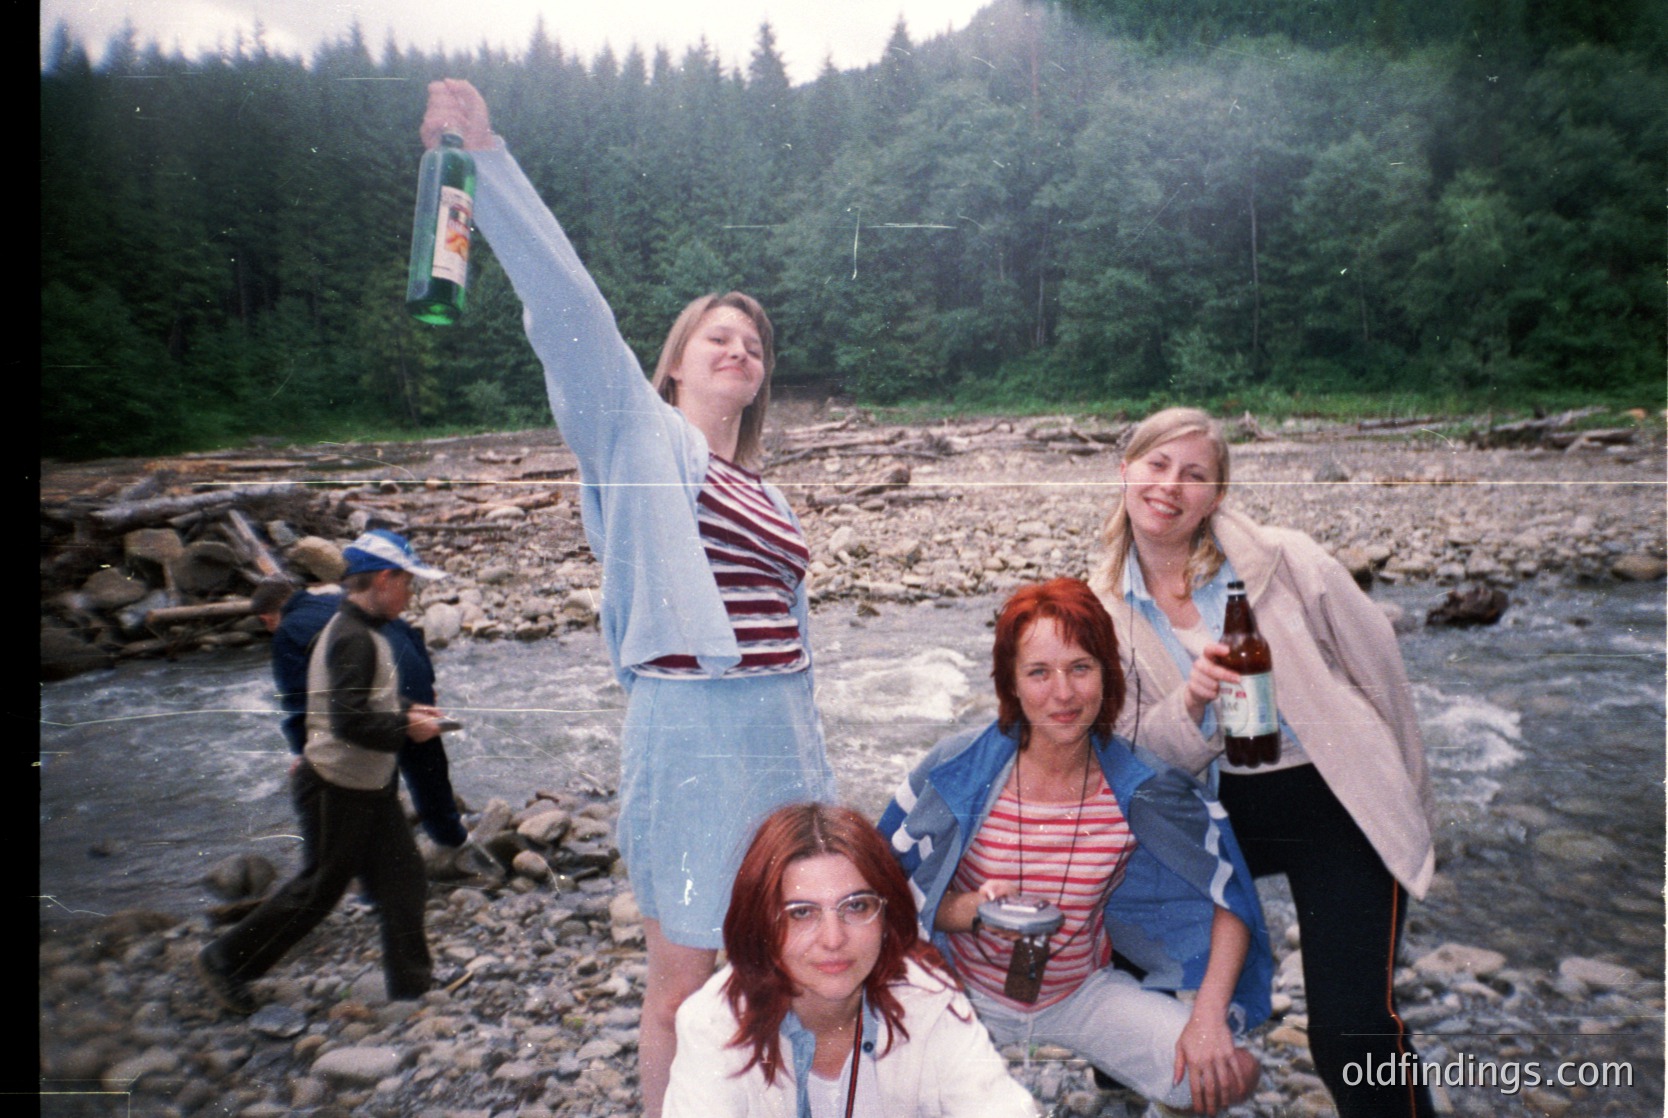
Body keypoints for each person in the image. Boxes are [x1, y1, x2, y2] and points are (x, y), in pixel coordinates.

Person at [419, 80, 836, 1115]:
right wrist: (491, 157)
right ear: (672, 365)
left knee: (785, 959)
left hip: (784, 726)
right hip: (692, 726)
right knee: (682, 982)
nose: (739, 348)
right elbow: (568, 313)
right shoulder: (639, 440)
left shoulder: (766, 487)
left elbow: (788, 627)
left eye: (754, 343)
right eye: (716, 337)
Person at [1087, 407, 1437, 1118]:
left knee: (1349, 1031)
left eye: (1194, 474)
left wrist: (1412, 809)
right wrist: (1189, 702)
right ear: (1126, 470)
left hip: (1337, 806)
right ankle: (1119, 1066)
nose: (1170, 487)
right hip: (1215, 811)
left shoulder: (1287, 561)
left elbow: (1383, 678)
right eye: (1156, 465)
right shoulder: (1100, 611)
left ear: (1217, 494)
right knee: (1109, 888)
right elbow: (1132, 754)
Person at [878, 579, 1270, 1118]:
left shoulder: (1143, 787)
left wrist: (1207, 1019)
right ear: (1010, 684)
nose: (1062, 694)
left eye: (1080, 668)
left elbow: (1231, 896)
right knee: (882, 1077)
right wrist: (966, 911)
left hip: (1080, 992)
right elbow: (879, 890)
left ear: (1107, 677)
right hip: (962, 993)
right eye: (1039, 672)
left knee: (1227, 1074)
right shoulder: (955, 772)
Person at [197, 530, 450, 1014]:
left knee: (404, 880)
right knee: (318, 889)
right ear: (384, 578)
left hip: (364, 783)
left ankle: (412, 989)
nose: (411, 595)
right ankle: (224, 961)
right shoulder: (353, 636)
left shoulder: (355, 630)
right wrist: (407, 727)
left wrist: (406, 708)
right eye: (408, 584)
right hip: (338, 785)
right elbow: (348, 721)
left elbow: (359, 702)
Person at [665, 803, 1038, 1118]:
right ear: (760, 921)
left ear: (887, 914)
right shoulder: (714, 1024)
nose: (833, 939)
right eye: (801, 913)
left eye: (856, 906)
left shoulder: (929, 998)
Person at [251, 574, 480, 862]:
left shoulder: (287, 632)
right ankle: (453, 837)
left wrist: (304, 749)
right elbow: (406, 630)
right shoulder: (344, 602)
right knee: (427, 766)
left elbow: (300, 698)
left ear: (266, 618)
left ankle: (382, 857)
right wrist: (427, 683)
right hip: (412, 676)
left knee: (373, 768)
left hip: (378, 693)